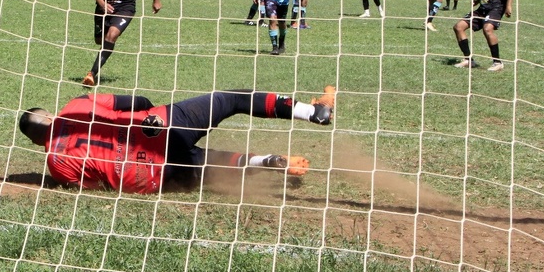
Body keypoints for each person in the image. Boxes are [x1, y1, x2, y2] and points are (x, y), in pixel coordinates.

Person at [18, 85, 336, 194]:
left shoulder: (56, 165)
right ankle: (312, 112)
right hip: (160, 127)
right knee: (232, 99)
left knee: (209, 165)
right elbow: (139, 100)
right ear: (48, 116)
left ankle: (264, 161)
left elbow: (97, 186)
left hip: (146, 176)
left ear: (36, 142)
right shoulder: (76, 105)